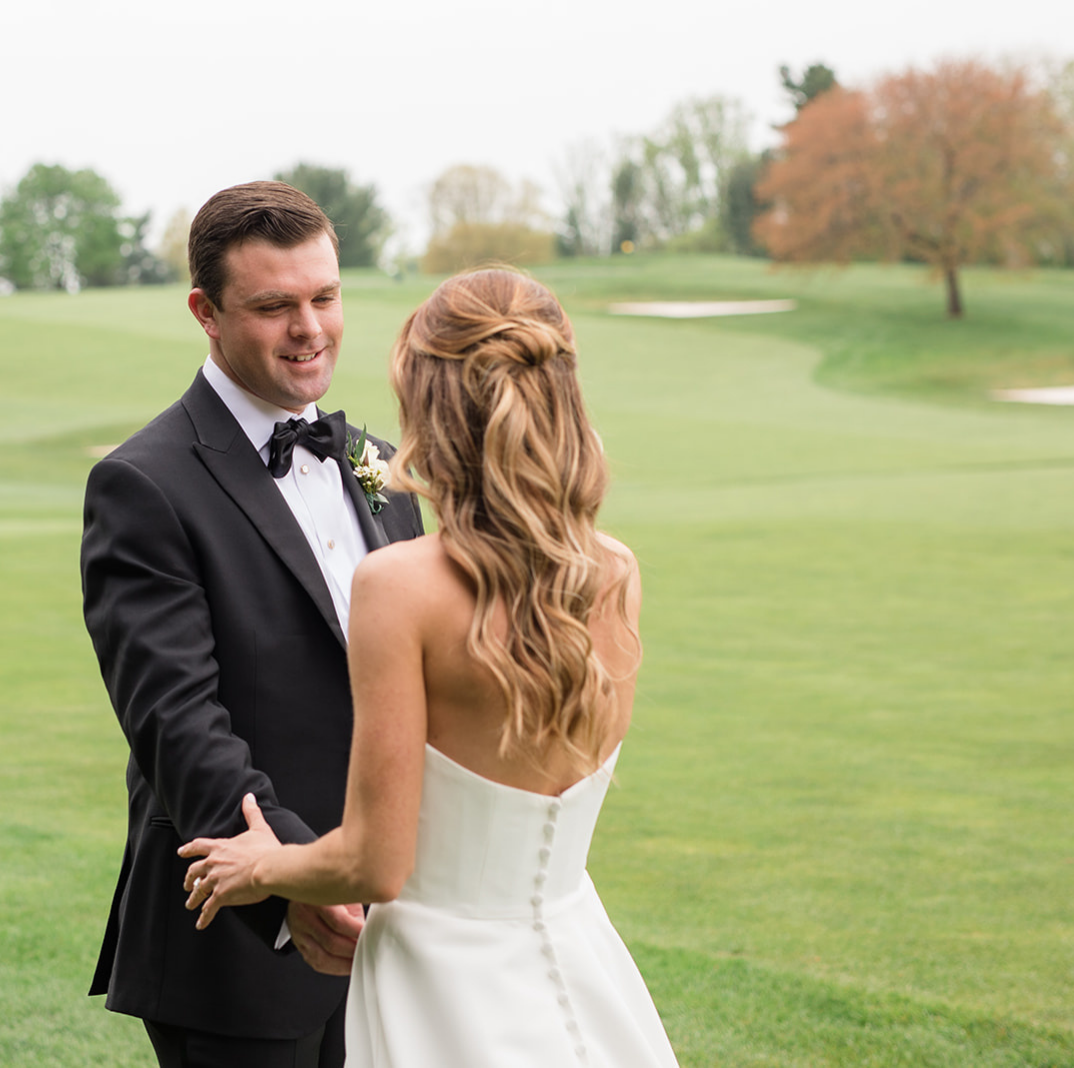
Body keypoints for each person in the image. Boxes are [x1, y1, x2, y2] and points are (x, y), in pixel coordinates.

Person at [179, 269, 681, 1068]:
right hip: (581, 955)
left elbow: (375, 863)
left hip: (442, 981)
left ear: (431, 406)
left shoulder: (400, 586)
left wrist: (260, 862)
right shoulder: (615, 570)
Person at [79, 181, 424, 1068]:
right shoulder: (143, 485)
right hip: (239, 938)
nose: (310, 327)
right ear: (206, 311)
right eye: (274, 306)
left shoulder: (383, 467)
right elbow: (179, 725)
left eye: (324, 297)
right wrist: (303, 882)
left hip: (395, 928)